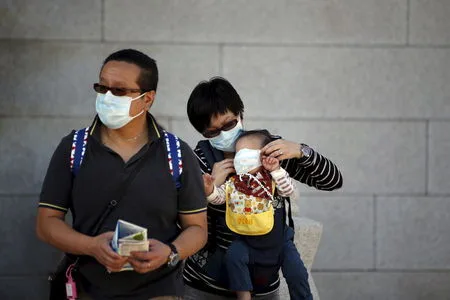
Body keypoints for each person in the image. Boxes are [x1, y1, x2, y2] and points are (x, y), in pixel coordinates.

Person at [36, 49, 208, 300]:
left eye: (119, 90)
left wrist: (171, 251)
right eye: (101, 87)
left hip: (158, 290)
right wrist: (92, 247)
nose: (107, 97)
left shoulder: (177, 153)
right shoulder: (74, 147)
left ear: (147, 99)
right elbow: (46, 223)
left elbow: (197, 229)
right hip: (87, 289)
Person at [183, 77, 343, 300]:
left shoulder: (269, 149)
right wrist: (210, 186)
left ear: (241, 114)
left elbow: (332, 181)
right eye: (213, 132)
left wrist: (301, 150)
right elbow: (179, 216)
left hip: (263, 283)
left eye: (229, 124)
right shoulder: (198, 160)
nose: (224, 134)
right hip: (206, 284)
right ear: (203, 134)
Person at [203, 129, 303, 300]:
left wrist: (276, 170)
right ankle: (244, 296)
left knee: (297, 273)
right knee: (233, 257)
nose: (241, 158)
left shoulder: (272, 179)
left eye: (247, 154)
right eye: (238, 154)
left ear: (263, 156)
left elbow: (289, 191)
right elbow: (219, 198)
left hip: (279, 240)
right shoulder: (234, 182)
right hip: (247, 240)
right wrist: (210, 190)